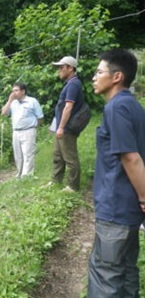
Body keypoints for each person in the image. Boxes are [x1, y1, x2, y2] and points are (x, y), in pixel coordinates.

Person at [87, 49, 145, 297]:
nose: (93, 77)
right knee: (126, 271)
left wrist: (144, 197)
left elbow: (131, 157)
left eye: (99, 72)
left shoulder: (116, 109)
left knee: (105, 276)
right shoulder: (133, 106)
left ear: (117, 76)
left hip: (115, 209)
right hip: (128, 210)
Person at [48, 56, 85, 192]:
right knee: (58, 156)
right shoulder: (70, 83)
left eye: (61, 67)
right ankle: (55, 181)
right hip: (62, 127)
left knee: (70, 158)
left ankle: (73, 187)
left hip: (67, 128)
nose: (59, 70)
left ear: (70, 68)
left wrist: (62, 127)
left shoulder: (74, 84)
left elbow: (68, 107)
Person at [1, 82, 44, 178]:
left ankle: (27, 175)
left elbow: (40, 117)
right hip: (16, 131)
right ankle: (19, 173)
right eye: (13, 91)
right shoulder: (13, 103)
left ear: (23, 91)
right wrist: (9, 100)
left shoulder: (32, 101)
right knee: (18, 154)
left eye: (16, 90)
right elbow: (3, 113)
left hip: (28, 130)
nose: (13, 93)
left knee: (28, 153)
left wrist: (34, 126)